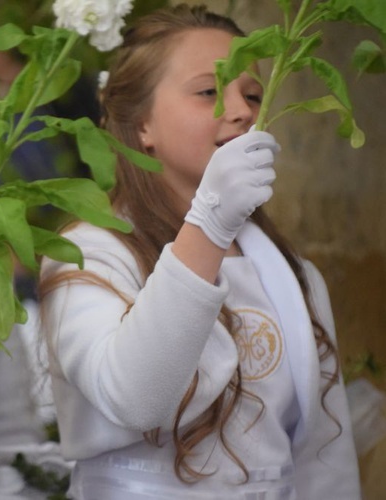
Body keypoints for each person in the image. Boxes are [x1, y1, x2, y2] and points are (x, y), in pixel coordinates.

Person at [38, 4, 361, 500]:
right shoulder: (88, 251)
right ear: (141, 123)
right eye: (209, 91)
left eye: (252, 94)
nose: (241, 111)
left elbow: (322, 455)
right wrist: (208, 224)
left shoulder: (292, 272)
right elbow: (135, 397)